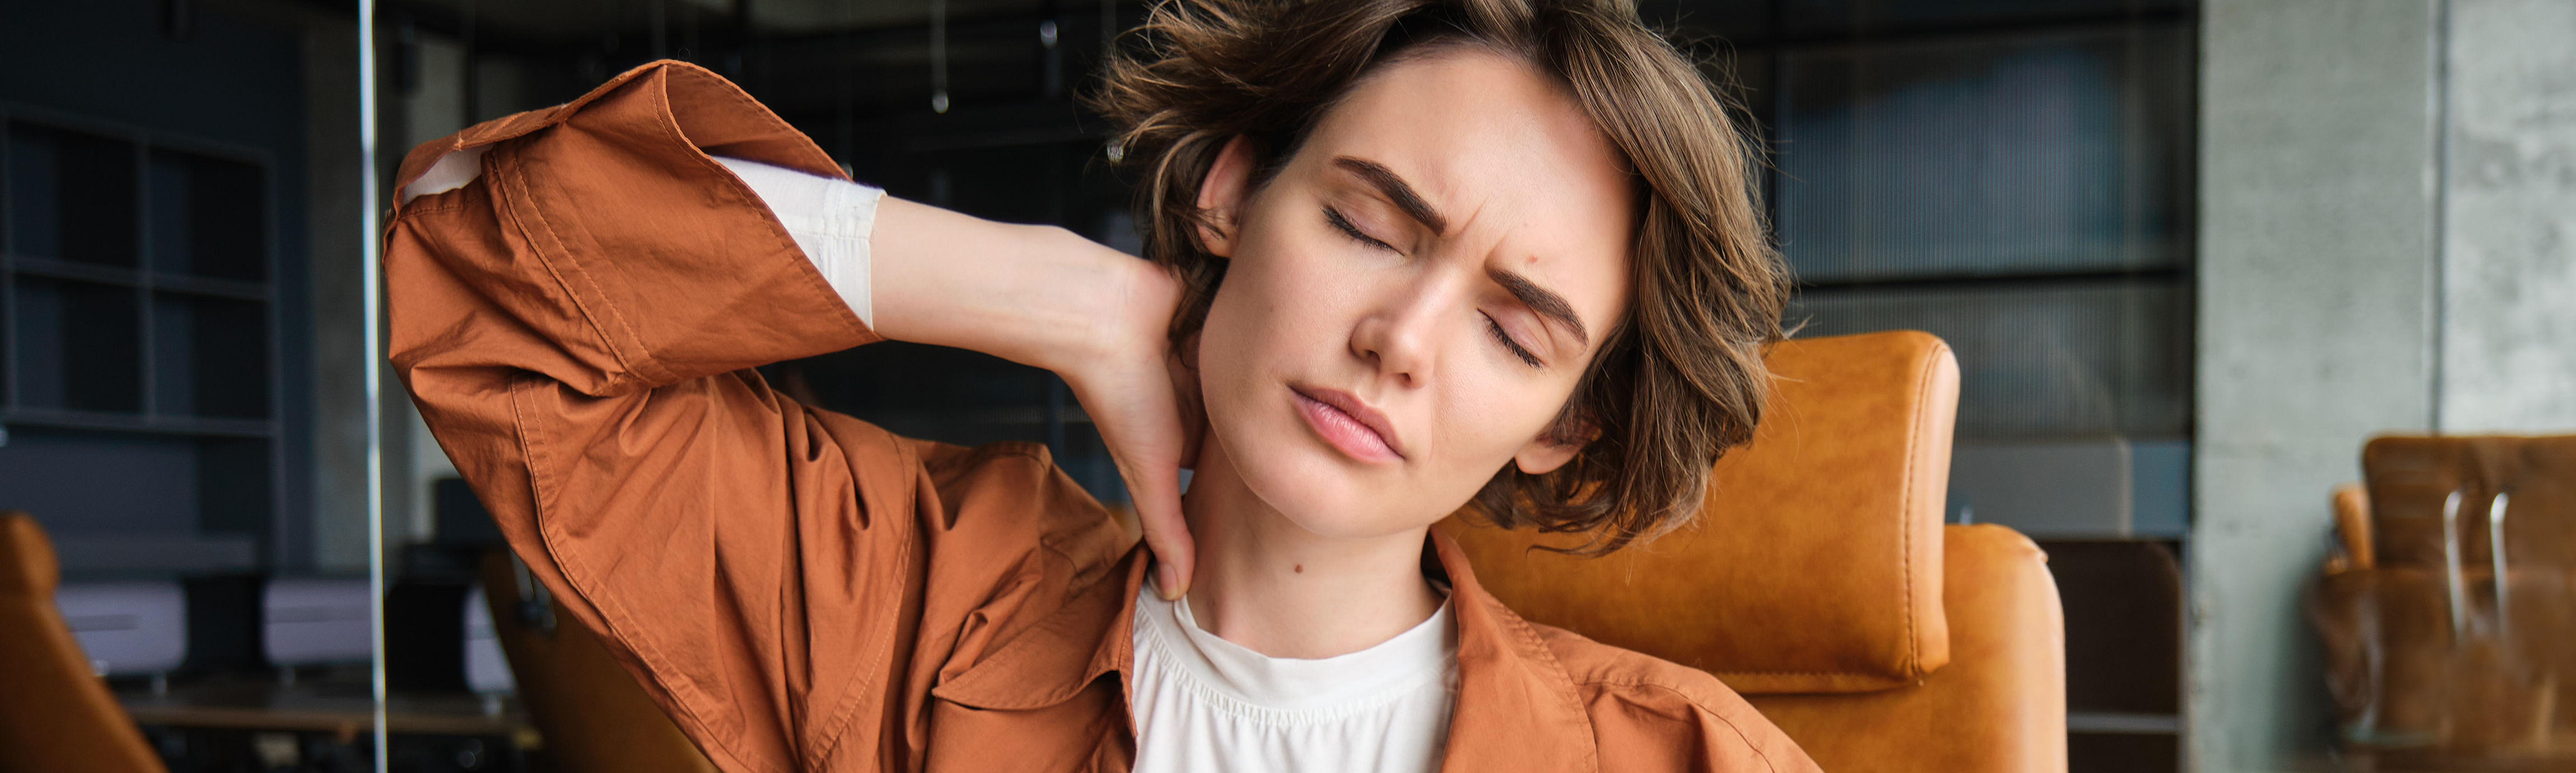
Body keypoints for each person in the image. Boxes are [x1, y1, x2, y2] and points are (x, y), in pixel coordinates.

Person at [385, 0, 1805, 769]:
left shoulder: (1686, 759)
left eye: (1517, 328)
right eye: (1369, 225)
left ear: (1564, 423)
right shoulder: (912, 602)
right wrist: (1055, 290)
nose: (1405, 339)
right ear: (1238, 191)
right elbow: (473, 249)